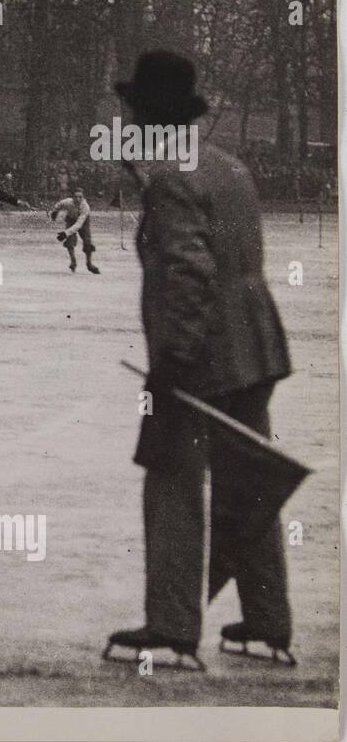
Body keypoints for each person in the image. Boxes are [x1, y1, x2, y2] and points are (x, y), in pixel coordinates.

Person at [104, 49, 294, 669]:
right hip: (256, 348)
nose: (126, 122)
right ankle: (267, 626)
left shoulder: (173, 180)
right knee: (249, 485)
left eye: (132, 112)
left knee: (172, 483)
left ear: (151, 115)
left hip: (202, 355)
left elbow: (189, 273)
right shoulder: (227, 168)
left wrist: (174, 365)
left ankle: (172, 630)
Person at [51, 187, 100, 274]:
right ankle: (73, 262)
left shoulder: (85, 207)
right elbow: (58, 204)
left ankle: (89, 264)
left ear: (83, 197)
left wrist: (66, 233)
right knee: (70, 241)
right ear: (72, 197)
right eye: (75, 196)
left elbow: (78, 225)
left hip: (83, 222)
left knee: (87, 241)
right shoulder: (67, 202)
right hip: (70, 219)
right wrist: (55, 212)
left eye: (80, 197)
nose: (78, 199)